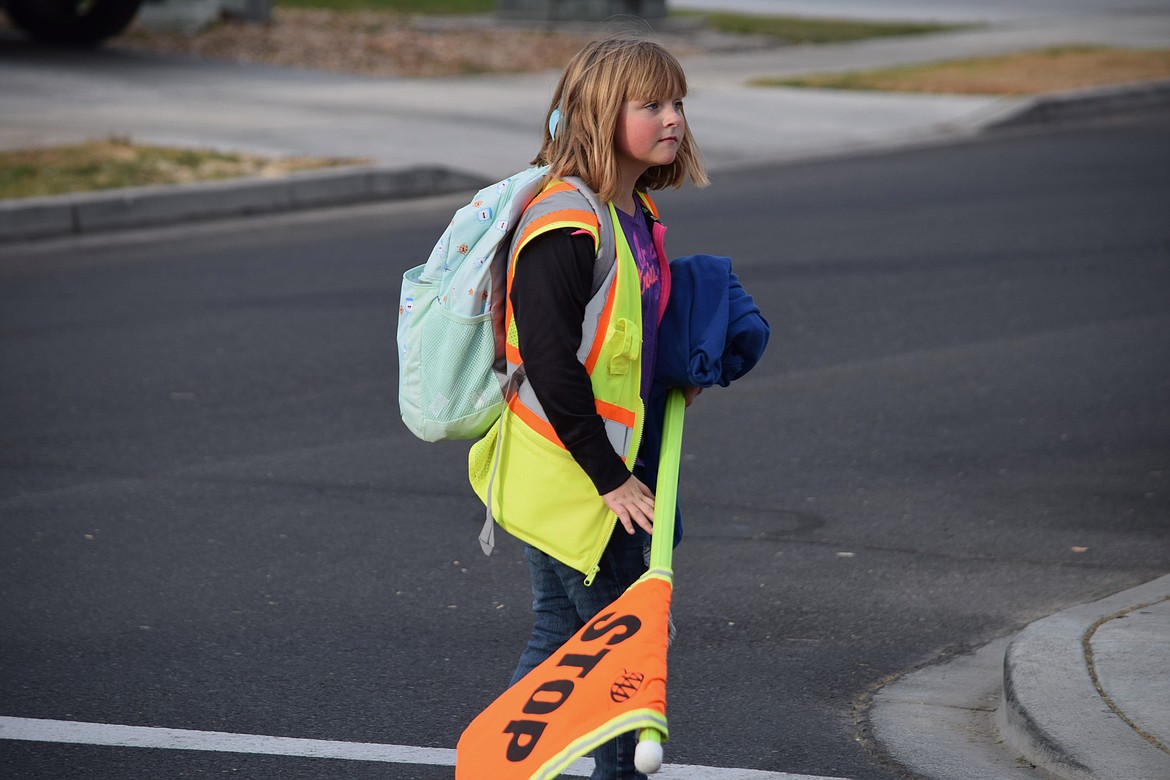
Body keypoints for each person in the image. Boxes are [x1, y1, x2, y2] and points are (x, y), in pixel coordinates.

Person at [467, 35, 707, 780]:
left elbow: (615, 340)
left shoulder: (627, 208)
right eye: (652, 104)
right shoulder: (566, 220)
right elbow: (548, 360)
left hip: (588, 467)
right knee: (627, 659)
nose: (672, 118)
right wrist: (611, 478)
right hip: (575, 474)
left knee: (564, 636)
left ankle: (498, 772)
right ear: (604, 115)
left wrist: (670, 371)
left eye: (678, 103)